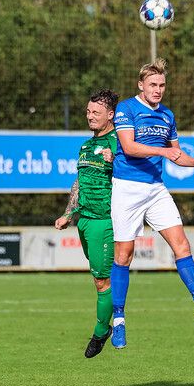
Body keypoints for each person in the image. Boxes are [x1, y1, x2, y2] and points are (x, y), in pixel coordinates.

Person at [109, 58, 194, 349]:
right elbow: (129, 147)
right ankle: (119, 321)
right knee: (124, 256)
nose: (158, 89)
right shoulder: (126, 109)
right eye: (153, 84)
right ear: (141, 85)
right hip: (127, 188)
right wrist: (164, 152)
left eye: (162, 85)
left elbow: (177, 154)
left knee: (182, 246)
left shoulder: (167, 115)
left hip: (155, 188)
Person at [55, 89, 119, 358]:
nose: (89, 116)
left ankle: (102, 330)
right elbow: (79, 182)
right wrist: (68, 214)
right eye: (88, 111)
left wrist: (117, 161)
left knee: (102, 282)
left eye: (96, 112)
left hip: (105, 220)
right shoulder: (85, 145)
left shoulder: (119, 142)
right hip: (84, 220)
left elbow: (137, 173)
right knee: (98, 278)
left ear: (110, 115)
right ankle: (110, 322)